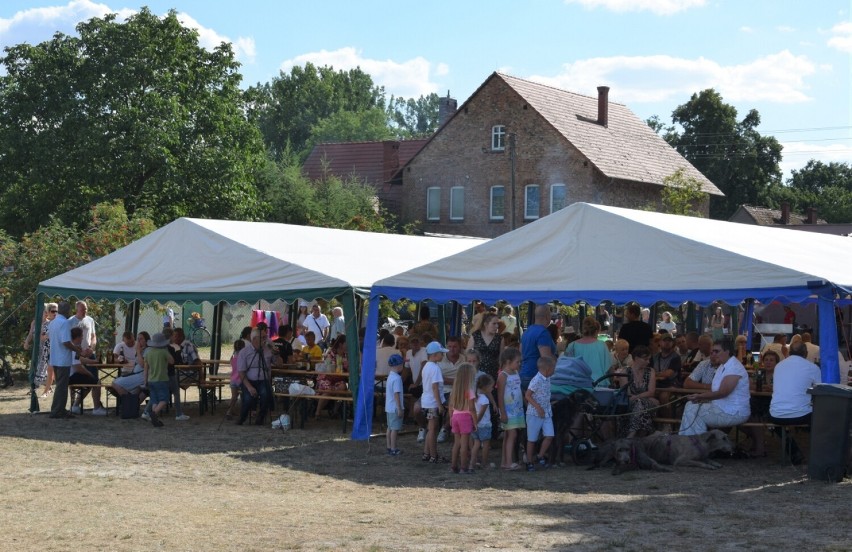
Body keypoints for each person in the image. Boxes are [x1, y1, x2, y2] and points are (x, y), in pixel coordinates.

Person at [679, 338, 750, 436]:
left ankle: (694, 444)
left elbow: (723, 392)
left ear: (727, 352)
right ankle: (692, 442)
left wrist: (700, 397)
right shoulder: (723, 365)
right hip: (722, 408)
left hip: (734, 413)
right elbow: (716, 390)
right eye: (712, 351)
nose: (713, 354)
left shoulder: (734, 367)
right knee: (689, 406)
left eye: (717, 351)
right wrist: (700, 398)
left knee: (692, 412)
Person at [768, 341, 821, 464]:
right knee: (821, 419)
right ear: (806, 353)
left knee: (775, 414)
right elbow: (820, 390)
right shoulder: (813, 367)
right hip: (802, 416)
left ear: (789, 352)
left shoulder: (779, 366)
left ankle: (793, 450)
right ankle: (819, 453)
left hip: (776, 415)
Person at [48, 301, 81, 419]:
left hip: (55, 358)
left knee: (59, 386)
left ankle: (56, 409)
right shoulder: (65, 323)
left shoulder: (53, 322)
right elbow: (66, 341)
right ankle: (58, 411)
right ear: (67, 311)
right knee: (62, 386)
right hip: (63, 359)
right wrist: (76, 349)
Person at [68, 300, 102, 411]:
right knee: (90, 379)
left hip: (89, 354)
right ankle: (75, 404)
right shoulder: (70, 321)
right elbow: (68, 339)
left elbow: (93, 336)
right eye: (82, 309)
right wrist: (79, 351)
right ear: (76, 310)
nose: (85, 311)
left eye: (86, 309)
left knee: (94, 379)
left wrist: (91, 349)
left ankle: (96, 406)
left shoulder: (90, 320)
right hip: (77, 353)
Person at [524, 356, 556, 471]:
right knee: (532, 438)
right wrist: (538, 407)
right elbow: (528, 395)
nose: (554, 370)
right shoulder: (536, 380)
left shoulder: (547, 379)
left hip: (547, 412)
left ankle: (539, 455)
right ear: (548, 368)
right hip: (534, 413)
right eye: (553, 368)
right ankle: (529, 461)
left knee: (549, 435)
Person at [68, 327, 107, 415]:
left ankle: (75, 406)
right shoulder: (74, 349)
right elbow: (78, 367)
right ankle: (97, 408)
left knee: (89, 383)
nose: (82, 338)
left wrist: (94, 361)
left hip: (69, 375)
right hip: (71, 376)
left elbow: (80, 360)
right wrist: (88, 373)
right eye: (81, 336)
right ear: (77, 337)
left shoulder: (72, 346)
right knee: (96, 381)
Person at [420, 341, 448, 464]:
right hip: (433, 403)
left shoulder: (426, 366)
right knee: (433, 429)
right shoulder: (435, 368)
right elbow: (435, 387)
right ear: (435, 355)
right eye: (441, 353)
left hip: (426, 401)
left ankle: (427, 453)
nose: (443, 356)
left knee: (429, 428)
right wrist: (440, 404)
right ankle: (433, 455)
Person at [621, 346, 658, 438]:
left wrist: (637, 397)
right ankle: (639, 437)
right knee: (640, 407)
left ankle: (630, 436)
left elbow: (651, 392)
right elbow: (626, 393)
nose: (648, 362)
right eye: (645, 359)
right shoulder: (625, 371)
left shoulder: (650, 371)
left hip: (646, 403)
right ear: (637, 358)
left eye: (649, 359)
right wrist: (639, 398)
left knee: (639, 404)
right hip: (632, 404)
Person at [498, 347, 525, 470]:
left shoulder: (515, 373)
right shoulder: (503, 376)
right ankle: (508, 462)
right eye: (517, 362)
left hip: (517, 409)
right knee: (511, 434)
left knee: (510, 435)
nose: (519, 364)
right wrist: (503, 412)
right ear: (508, 362)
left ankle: (505, 461)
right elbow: (500, 395)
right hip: (508, 411)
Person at [448, 363, 477, 474]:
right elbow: (472, 408)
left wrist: (451, 417)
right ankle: (463, 467)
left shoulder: (454, 390)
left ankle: (453, 466)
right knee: (464, 445)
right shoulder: (469, 391)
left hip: (455, 416)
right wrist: (475, 422)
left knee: (456, 444)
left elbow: (450, 406)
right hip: (465, 417)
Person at [520, 305, 557, 391]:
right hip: (536, 377)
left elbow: (520, 355)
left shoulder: (527, 331)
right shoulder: (543, 332)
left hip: (524, 374)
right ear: (547, 316)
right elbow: (546, 359)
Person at [564, 316, 610, 384]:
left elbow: (567, 367)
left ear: (582, 328)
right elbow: (608, 368)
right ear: (595, 330)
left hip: (578, 385)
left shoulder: (572, 346)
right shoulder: (602, 345)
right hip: (599, 384)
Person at [143, 332, 173, 427]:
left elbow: (146, 368)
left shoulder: (148, 353)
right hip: (162, 379)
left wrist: (145, 380)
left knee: (154, 400)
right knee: (164, 399)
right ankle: (154, 413)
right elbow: (172, 361)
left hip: (151, 379)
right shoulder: (163, 352)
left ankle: (155, 418)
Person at [315, 335, 348, 418]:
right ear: (341, 344)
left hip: (338, 379)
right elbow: (330, 370)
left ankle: (334, 411)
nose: (348, 345)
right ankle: (317, 412)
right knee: (329, 390)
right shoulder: (331, 354)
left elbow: (348, 369)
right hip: (326, 378)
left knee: (342, 387)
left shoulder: (346, 355)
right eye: (346, 343)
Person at [651, 333, 682, 418]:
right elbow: (650, 371)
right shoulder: (654, 357)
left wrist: (656, 374)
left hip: (672, 384)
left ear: (672, 343)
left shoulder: (676, 357)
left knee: (663, 396)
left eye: (669, 341)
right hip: (657, 384)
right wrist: (658, 375)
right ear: (660, 343)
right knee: (648, 394)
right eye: (664, 340)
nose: (667, 343)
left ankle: (667, 422)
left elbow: (669, 374)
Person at [110, 332, 149, 398]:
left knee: (116, 384)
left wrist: (138, 351)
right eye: (138, 339)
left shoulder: (145, 349)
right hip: (129, 372)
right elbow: (113, 358)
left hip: (140, 375)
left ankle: (129, 402)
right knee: (115, 383)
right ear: (123, 341)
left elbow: (143, 365)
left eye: (141, 339)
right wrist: (121, 360)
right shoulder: (120, 346)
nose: (131, 344)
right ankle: (130, 403)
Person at [30, 303, 57, 398]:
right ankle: (43, 389)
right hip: (45, 349)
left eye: (56, 311)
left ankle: (47, 389)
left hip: (56, 349)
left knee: (51, 370)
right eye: (53, 311)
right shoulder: (44, 324)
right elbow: (41, 337)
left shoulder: (57, 322)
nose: (55, 313)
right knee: (46, 369)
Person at [469, 373, 494, 471]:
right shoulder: (485, 400)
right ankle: (484, 463)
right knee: (486, 444)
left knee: (476, 444)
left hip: (476, 426)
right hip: (484, 425)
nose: (492, 389)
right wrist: (476, 422)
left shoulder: (475, 397)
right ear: (486, 387)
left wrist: (474, 423)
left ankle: (472, 463)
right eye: (491, 387)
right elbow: (481, 414)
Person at [468, 313, 503, 382]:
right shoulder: (475, 336)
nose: (497, 326)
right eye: (494, 323)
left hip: (493, 373)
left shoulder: (499, 338)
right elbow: (468, 354)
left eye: (497, 324)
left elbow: (501, 358)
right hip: (476, 373)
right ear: (486, 324)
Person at [384, 353, 405, 456]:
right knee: (395, 429)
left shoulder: (390, 377)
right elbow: (396, 394)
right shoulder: (397, 378)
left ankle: (389, 446)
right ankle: (393, 448)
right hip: (395, 408)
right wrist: (399, 408)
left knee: (389, 428)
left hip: (389, 407)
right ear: (399, 366)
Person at [225, 339, 245, 420]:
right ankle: (231, 411)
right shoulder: (243, 356)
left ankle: (231, 410)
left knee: (234, 396)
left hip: (233, 379)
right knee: (243, 397)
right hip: (241, 379)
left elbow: (231, 363)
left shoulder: (233, 356)